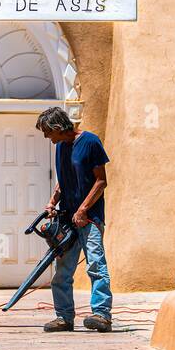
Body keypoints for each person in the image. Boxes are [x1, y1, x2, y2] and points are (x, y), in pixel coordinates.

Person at [35, 106, 113, 333]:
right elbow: (63, 180)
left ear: (58, 128)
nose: (47, 137)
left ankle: (102, 314)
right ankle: (64, 317)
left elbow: (101, 181)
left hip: (90, 219)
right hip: (68, 220)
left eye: (48, 132)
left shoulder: (90, 142)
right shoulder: (61, 147)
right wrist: (52, 202)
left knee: (96, 265)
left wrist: (83, 210)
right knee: (62, 272)